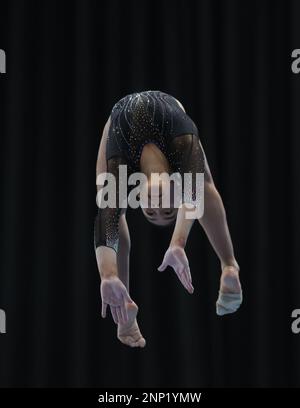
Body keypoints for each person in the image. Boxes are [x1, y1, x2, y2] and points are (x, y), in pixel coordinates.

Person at [94, 90, 242, 348]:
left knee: (109, 206)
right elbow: (194, 194)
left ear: (137, 197)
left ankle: (122, 304)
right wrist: (177, 244)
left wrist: (107, 276)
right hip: (171, 116)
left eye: (151, 212)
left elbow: (107, 222)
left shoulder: (121, 166)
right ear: (178, 191)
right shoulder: (181, 143)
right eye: (167, 212)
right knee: (203, 182)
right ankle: (230, 265)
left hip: (116, 125)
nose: (158, 208)